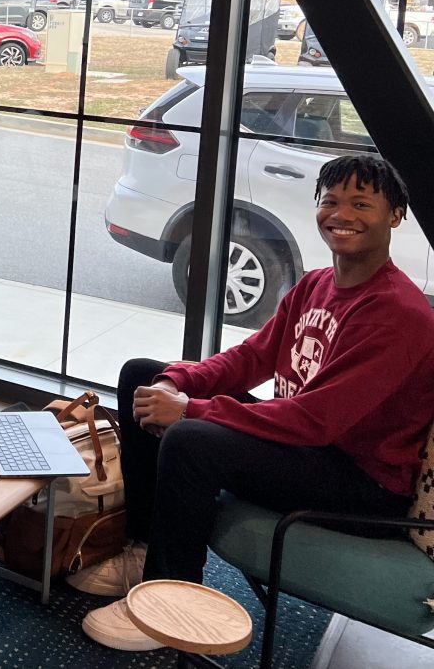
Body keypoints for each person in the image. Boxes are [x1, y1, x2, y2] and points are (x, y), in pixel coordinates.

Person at [79, 155, 434, 652]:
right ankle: (142, 551)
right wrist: (176, 382)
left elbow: (315, 421)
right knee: (142, 375)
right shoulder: (316, 284)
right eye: (330, 201)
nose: (341, 214)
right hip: (312, 447)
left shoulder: (398, 313)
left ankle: (172, 600)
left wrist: (189, 410)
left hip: (361, 482)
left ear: (395, 215)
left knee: (191, 439)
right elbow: (251, 358)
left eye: (361, 203)